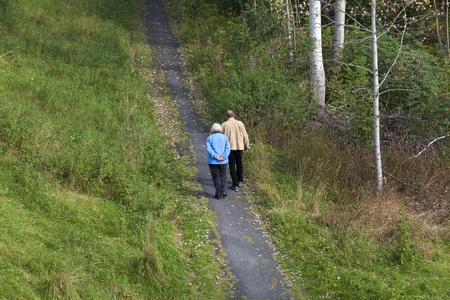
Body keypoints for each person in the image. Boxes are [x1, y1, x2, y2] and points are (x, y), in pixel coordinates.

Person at [221, 110, 250, 191]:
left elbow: (222, 138)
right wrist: (246, 145)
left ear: (226, 117)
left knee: (232, 166)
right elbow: (245, 135)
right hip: (240, 147)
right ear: (234, 116)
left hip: (230, 148)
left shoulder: (224, 125)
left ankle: (235, 184)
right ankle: (240, 180)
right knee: (239, 164)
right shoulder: (240, 123)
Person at [206, 123, 230, 199]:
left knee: (216, 177)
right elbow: (227, 149)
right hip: (223, 161)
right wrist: (223, 156)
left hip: (213, 161)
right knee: (223, 175)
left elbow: (209, 150)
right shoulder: (225, 137)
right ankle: (224, 191)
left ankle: (218, 193)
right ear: (220, 129)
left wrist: (216, 156)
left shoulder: (210, 138)